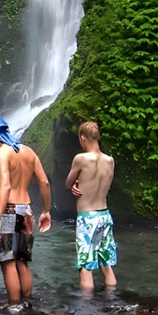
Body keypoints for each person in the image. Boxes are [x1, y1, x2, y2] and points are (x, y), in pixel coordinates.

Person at [0, 116, 52, 303]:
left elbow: (5, 186)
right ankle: (26, 304)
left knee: (7, 262)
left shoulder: (0, 154)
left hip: (9, 211)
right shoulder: (29, 152)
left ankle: (14, 308)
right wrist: (46, 211)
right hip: (26, 211)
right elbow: (44, 182)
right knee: (22, 262)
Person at [65, 119, 117, 289]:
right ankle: (112, 298)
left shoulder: (80, 159)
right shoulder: (110, 161)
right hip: (104, 215)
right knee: (106, 264)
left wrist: (74, 184)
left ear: (82, 137)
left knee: (85, 267)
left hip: (88, 218)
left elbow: (68, 183)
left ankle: (87, 304)